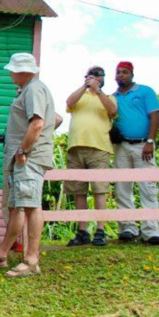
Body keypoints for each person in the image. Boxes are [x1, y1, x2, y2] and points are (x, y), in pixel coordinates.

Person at [0, 53, 55, 277]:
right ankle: (2, 253)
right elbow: (53, 119)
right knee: (17, 207)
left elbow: (38, 123)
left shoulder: (34, 89)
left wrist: (23, 150)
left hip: (28, 159)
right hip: (21, 159)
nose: (10, 73)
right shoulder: (29, 90)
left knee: (31, 206)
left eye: (13, 70)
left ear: (23, 71)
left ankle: (31, 260)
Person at [111, 61, 159, 245]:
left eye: (125, 72)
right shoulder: (113, 97)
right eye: (118, 72)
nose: (121, 75)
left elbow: (155, 116)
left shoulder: (144, 91)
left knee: (147, 187)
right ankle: (128, 227)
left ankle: (151, 231)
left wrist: (150, 141)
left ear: (132, 74)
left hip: (143, 145)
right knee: (122, 188)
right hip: (121, 147)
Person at [65, 66, 117, 247]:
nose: (94, 79)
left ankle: (100, 230)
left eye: (98, 76)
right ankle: (82, 231)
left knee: (99, 189)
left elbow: (112, 111)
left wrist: (98, 91)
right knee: (78, 190)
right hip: (75, 148)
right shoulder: (80, 96)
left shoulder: (109, 98)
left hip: (99, 148)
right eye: (91, 76)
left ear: (103, 79)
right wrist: (84, 86)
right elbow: (69, 102)